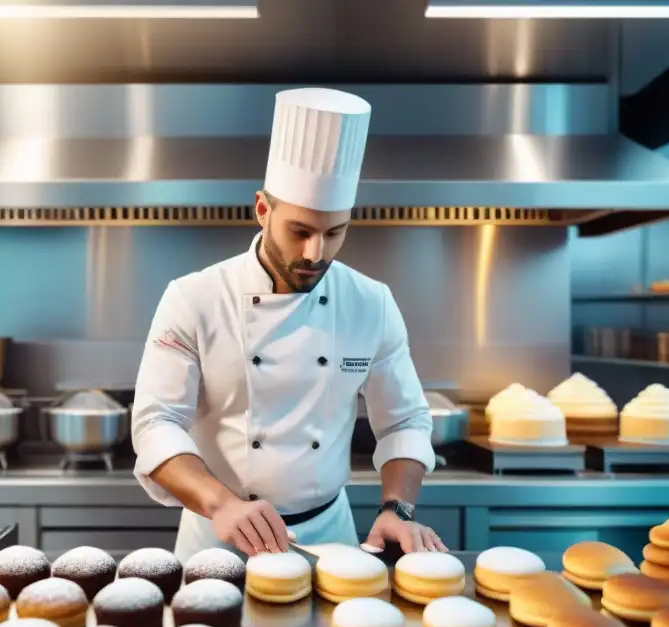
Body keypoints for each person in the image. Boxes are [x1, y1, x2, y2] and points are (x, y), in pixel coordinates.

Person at [131, 87, 447, 562]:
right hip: (219, 539)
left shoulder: (370, 303)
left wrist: (397, 509)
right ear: (263, 210)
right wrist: (220, 503)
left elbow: (404, 419)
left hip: (330, 538)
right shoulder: (193, 297)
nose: (315, 254)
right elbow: (157, 422)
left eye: (334, 232)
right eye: (300, 231)